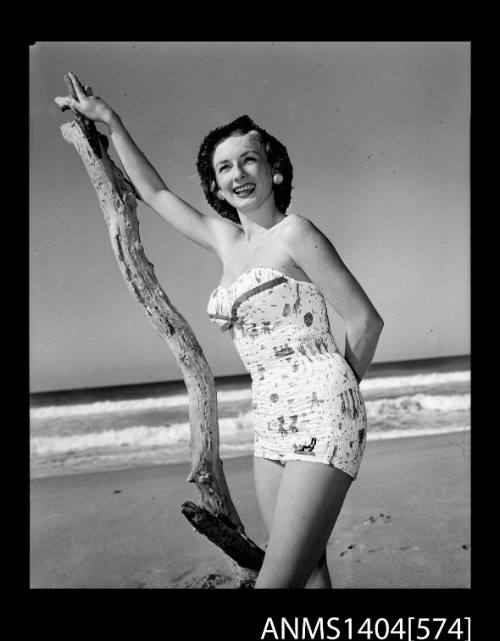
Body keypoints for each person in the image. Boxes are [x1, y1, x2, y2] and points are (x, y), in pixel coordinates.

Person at [56, 72, 384, 589]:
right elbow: (155, 192)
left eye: (249, 160)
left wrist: (334, 397)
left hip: (322, 408)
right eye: (224, 167)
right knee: (308, 571)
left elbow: (365, 322)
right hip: (270, 421)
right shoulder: (224, 240)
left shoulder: (293, 232)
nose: (238, 173)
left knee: (275, 582)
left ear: (275, 171)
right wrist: (111, 123)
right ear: (215, 186)